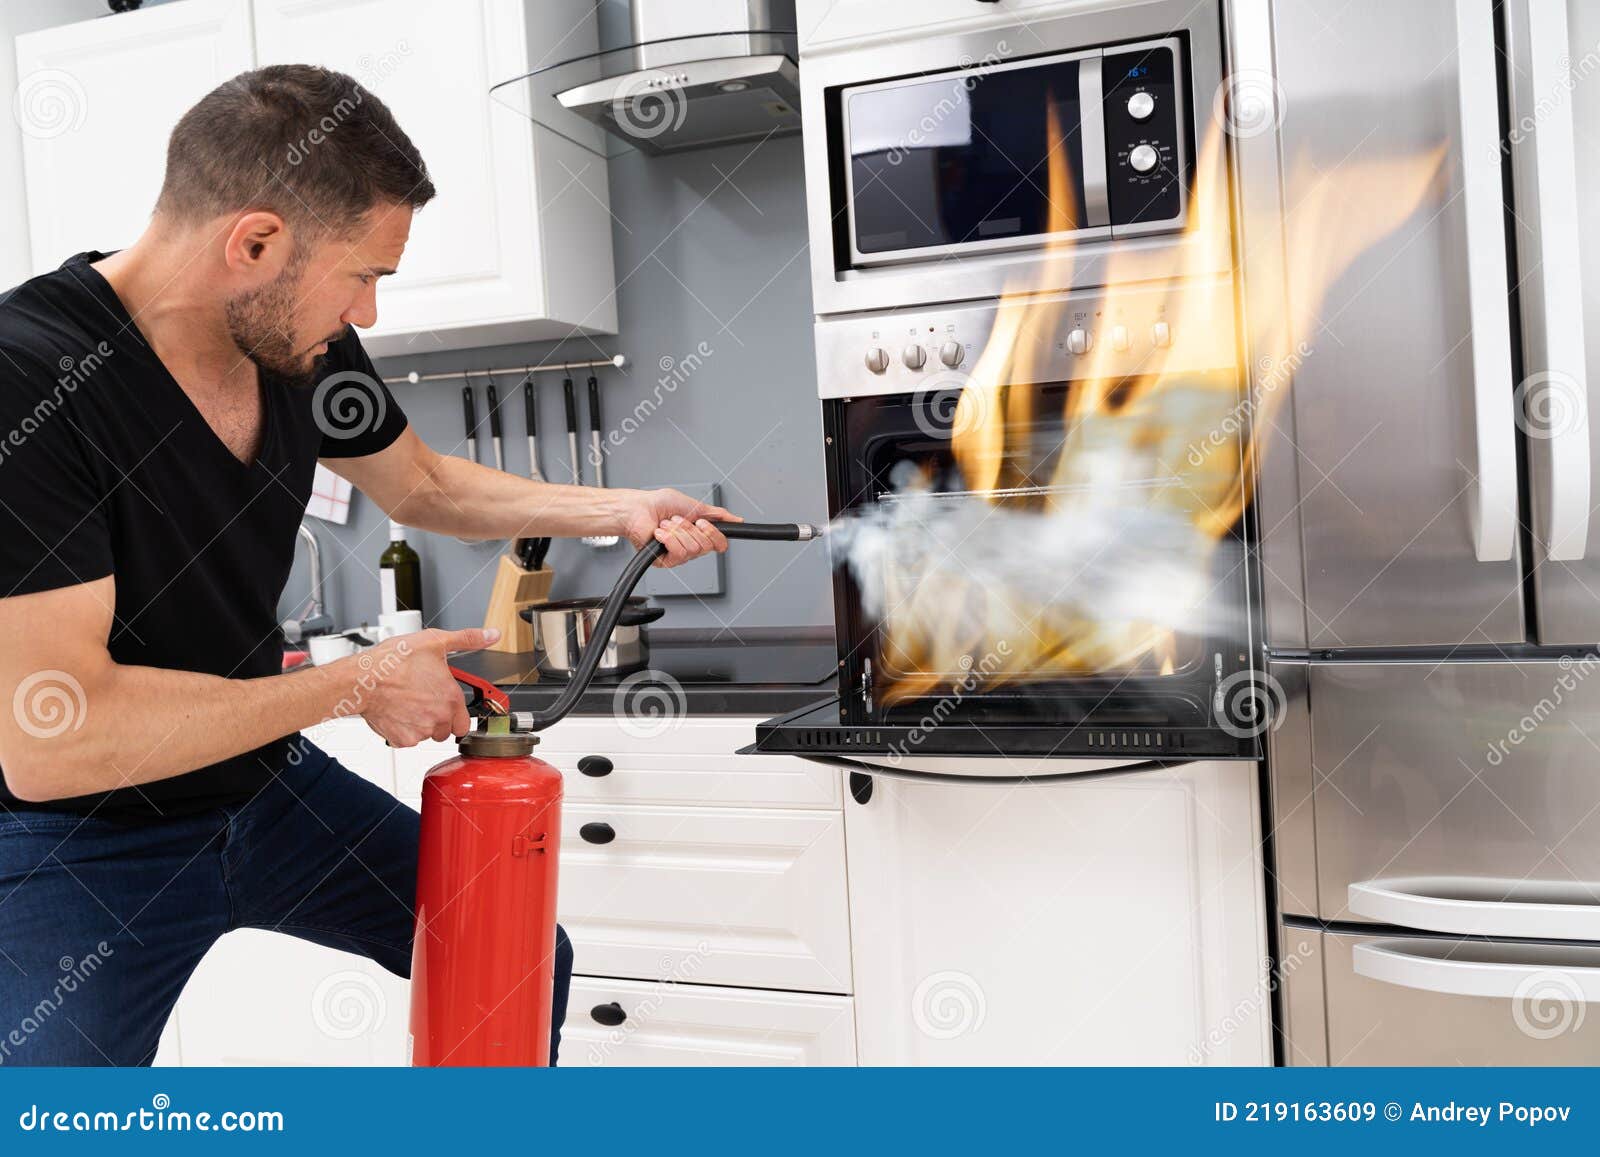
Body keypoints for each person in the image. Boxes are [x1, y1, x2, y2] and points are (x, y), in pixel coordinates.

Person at [0, 65, 736, 1066]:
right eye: (365, 276)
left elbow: (422, 484)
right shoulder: (30, 379)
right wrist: (353, 686)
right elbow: (56, 735)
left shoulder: (298, 342)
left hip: (259, 789)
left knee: (518, 954)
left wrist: (621, 508)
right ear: (254, 243)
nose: (369, 316)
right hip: (81, 838)